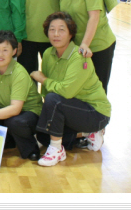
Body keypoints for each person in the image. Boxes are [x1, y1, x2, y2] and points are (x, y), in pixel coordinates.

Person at [30, 12, 111, 166]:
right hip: (70, 109)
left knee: (54, 100)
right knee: (43, 136)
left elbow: (65, 92)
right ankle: (86, 134)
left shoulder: (79, 57)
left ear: (71, 34)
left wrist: (43, 80)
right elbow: (48, 93)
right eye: (52, 30)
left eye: (61, 30)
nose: (56, 34)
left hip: (95, 112)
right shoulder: (48, 54)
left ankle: (57, 149)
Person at [56, 0, 117, 93]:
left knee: (98, 90)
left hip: (98, 45)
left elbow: (94, 17)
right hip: (78, 46)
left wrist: (85, 44)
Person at [0, 31, 43, 161]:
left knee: (15, 122)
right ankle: (8, 143)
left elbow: (16, 109)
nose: (0, 54)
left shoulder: (19, 73)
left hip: (28, 112)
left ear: (14, 51)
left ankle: (31, 149)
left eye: (5, 50)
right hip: (5, 109)